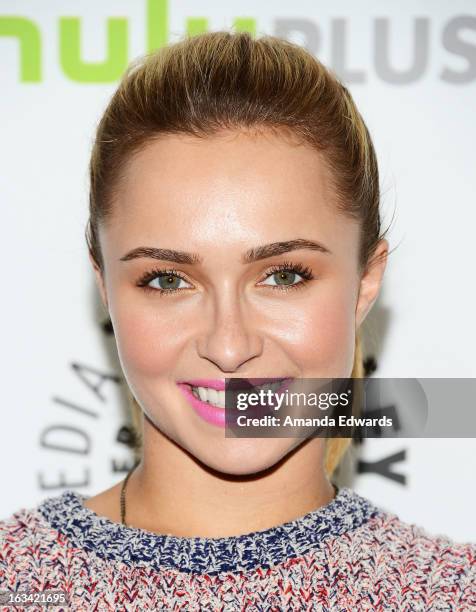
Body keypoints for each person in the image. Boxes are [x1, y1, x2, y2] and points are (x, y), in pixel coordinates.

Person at [1, 30, 474, 611]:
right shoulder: (13, 579)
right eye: (168, 280)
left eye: (283, 275)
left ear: (365, 281)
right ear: (106, 288)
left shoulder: (449, 594)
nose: (228, 346)